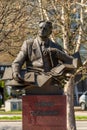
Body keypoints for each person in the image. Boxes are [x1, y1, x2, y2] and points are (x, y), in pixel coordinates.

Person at [12, 20, 75, 94]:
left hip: (51, 82)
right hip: (34, 81)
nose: (42, 30)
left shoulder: (56, 47)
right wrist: (15, 72)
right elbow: (18, 61)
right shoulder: (28, 44)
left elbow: (71, 62)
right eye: (40, 28)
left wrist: (58, 53)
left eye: (45, 29)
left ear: (50, 32)